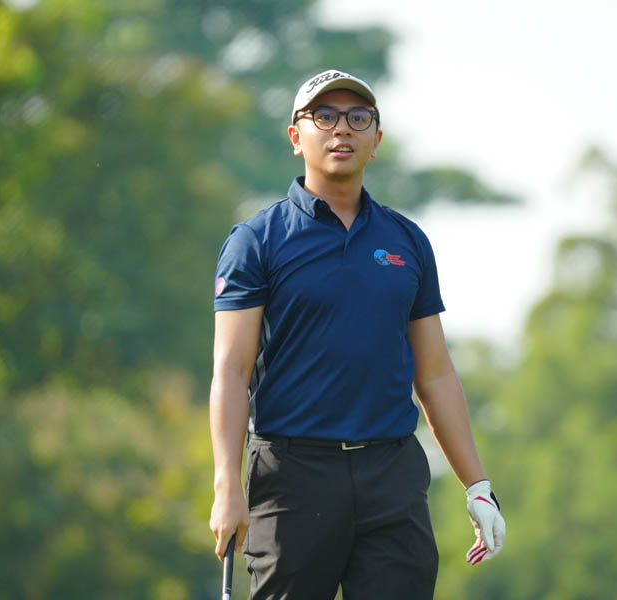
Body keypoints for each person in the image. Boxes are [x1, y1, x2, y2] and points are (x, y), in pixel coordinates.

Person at [208, 69, 506, 600]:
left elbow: (435, 373)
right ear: (296, 137)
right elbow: (232, 371)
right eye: (323, 116)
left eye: (358, 117)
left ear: (376, 139)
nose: (342, 128)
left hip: (391, 474)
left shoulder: (407, 240)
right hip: (292, 475)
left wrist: (476, 485)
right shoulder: (257, 240)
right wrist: (226, 484)